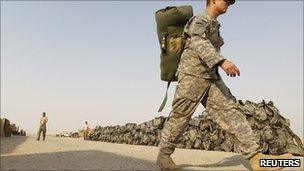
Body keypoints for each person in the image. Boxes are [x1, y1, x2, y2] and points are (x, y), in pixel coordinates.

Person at [156, 0, 292, 170]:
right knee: (180, 116)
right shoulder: (200, 20)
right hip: (192, 76)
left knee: (231, 113)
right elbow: (198, 41)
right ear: (212, 0)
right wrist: (222, 61)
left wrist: (218, 64)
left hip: (211, 77)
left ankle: (256, 159)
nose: (229, 3)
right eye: (226, 0)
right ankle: (164, 156)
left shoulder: (213, 23)